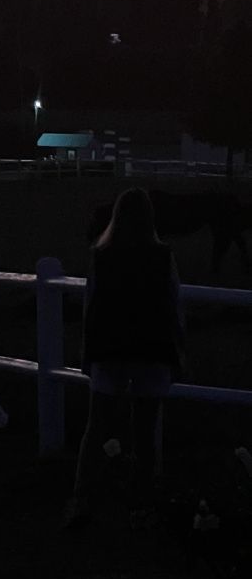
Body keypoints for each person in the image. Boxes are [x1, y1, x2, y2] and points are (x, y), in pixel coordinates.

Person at [65, 187, 184, 527]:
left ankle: (82, 497)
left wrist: (87, 352)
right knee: (145, 431)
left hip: (110, 349)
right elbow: (174, 307)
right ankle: (142, 501)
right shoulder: (163, 256)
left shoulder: (101, 256)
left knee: (97, 426)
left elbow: (91, 307)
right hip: (151, 348)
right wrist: (178, 352)